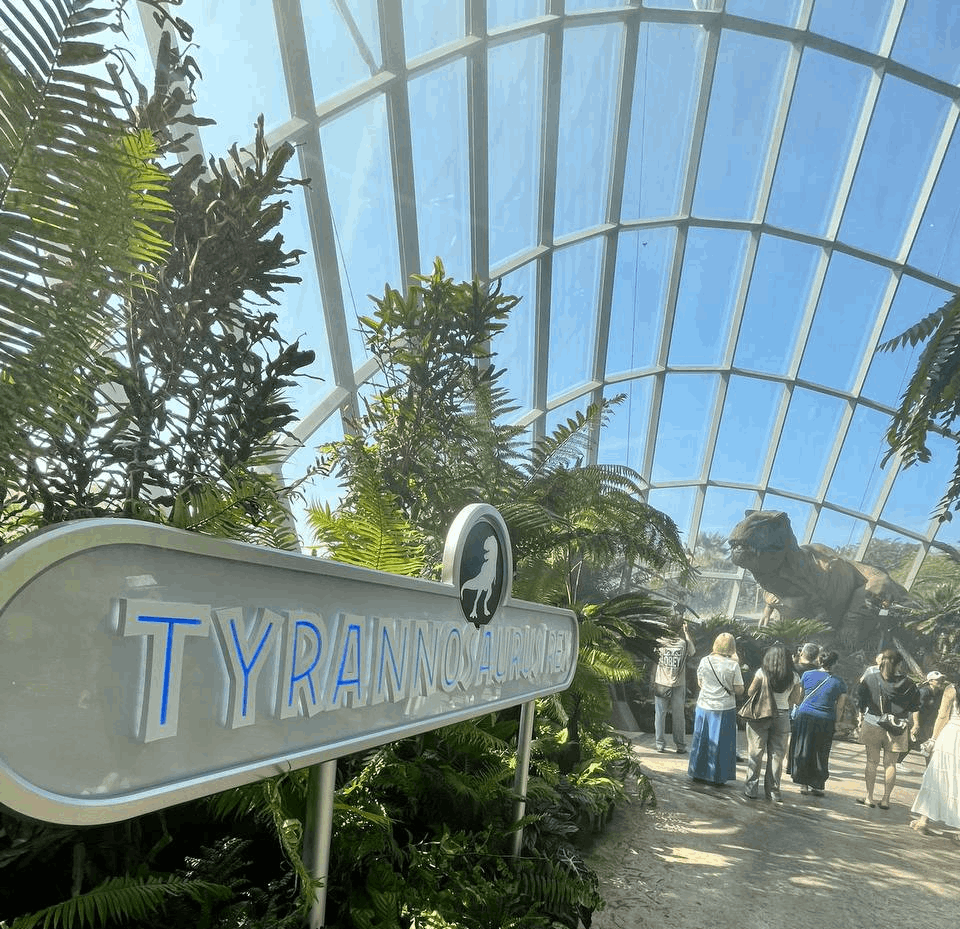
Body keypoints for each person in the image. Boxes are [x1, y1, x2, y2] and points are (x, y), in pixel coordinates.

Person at [855, 648, 921, 810]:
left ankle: (869, 797)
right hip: (897, 728)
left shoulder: (870, 678)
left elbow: (861, 702)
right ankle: (885, 800)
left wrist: (860, 716)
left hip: (872, 723)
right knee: (890, 764)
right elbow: (914, 706)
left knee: (871, 762)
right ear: (899, 664)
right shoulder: (909, 684)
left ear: (881, 660)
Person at [742, 644, 800, 802]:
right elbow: (795, 700)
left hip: (761, 716)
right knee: (777, 756)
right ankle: (773, 792)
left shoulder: (762, 673)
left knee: (756, 753)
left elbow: (750, 692)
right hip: (782, 717)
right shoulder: (794, 676)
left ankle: (751, 789)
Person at [788, 649, 847, 797]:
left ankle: (803, 785)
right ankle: (817, 784)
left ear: (819, 661)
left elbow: (799, 697)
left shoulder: (807, 675)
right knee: (820, 751)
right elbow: (840, 706)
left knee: (804, 748)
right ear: (835, 664)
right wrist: (837, 722)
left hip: (805, 716)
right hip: (826, 719)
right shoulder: (839, 682)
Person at [688, 632, 744, 786]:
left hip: (704, 706)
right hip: (724, 708)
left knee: (702, 739)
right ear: (732, 647)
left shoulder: (704, 660)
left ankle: (697, 773)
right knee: (721, 742)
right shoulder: (733, 665)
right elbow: (739, 690)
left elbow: (700, 683)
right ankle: (717, 777)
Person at [910, 681, 960, 840]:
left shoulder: (952, 689)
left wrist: (932, 739)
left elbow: (943, 715)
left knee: (936, 777)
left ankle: (924, 820)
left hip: (951, 736)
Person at [652, 619, 696, 754]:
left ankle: (660, 744)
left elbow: (653, 658)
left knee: (660, 714)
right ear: (679, 629)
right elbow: (693, 652)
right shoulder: (682, 643)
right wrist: (687, 632)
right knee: (678, 716)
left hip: (661, 682)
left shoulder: (659, 642)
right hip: (678, 684)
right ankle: (680, 746)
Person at [911, 671, 950, 763]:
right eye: (938, 680)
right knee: (910, 744)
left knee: (929, 746)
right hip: (917, 721)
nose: (941, 681)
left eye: (942, 680)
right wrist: (916, 724)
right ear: (930, 681)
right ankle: (897, 762)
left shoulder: (940, 693)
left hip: (929, 723)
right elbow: (916, 709)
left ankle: (929, 767)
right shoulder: (924, 692)